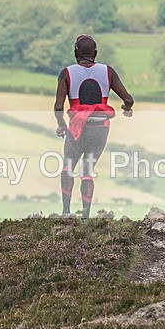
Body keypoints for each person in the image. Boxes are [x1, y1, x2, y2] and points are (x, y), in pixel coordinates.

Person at [54, 34, 134, 218]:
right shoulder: (108, 72)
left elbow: (59, 106)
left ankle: (66, 212)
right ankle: (85, 216)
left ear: (76, 53)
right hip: (100, 129)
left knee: (68, 166)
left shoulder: (66, 73)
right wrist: (126, 108)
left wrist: (62, 125)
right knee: (87, 170)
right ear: (95, 53)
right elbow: (128, 99)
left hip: (77, 130)